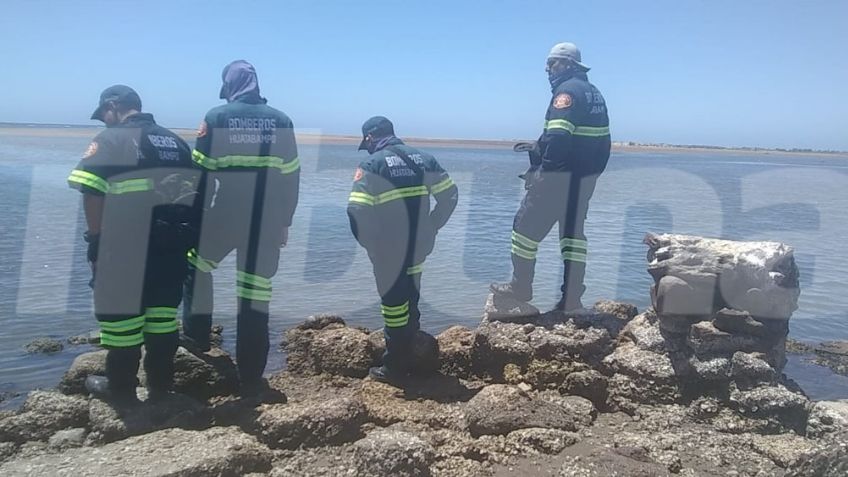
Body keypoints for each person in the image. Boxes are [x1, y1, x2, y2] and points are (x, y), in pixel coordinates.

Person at [67, 85, 201, 408]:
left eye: (104, 115)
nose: (104, 121)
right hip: (170, 249)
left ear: (113, 106)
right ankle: (161, 389)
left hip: (124, 248)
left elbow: (92, 192)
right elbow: (194, 196)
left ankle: (122, 391)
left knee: (121, 323)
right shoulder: (176, 142)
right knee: (162, 320)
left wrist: (95, 243)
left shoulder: (112, 139)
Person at [182, 60, 299, 399]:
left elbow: (201, 177)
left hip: (225, 213)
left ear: (229, 85)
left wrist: (194, 219)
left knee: (195, 264)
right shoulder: (281, 121)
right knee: (254, 296)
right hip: (266, 220)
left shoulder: (217, 117)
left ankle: (197, 336)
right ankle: (251, 379)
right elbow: (291, 177)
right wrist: (285, 221)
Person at [491, 42, 611, 312]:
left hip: (558, 180)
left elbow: (559, 136)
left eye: (552, 63)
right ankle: (572, 299)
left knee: (523, 229)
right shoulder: (594, 93)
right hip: (582, 182)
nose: (547, 69)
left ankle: (520, 287)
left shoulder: (566, 93)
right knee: (572, 238)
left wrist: (544, 174)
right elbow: (602, 143)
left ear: (568, 64)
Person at [347, 116, 458, 385]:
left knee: (394, 305)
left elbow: (357, 209)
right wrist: (432, 226)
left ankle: (395, 368)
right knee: (411, 295)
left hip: (388, 248)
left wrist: (370, 243)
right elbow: (450, 195)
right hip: (419, 244)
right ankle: (414, 355)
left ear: (370, 138)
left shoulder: (372, 164)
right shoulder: (424, 159)